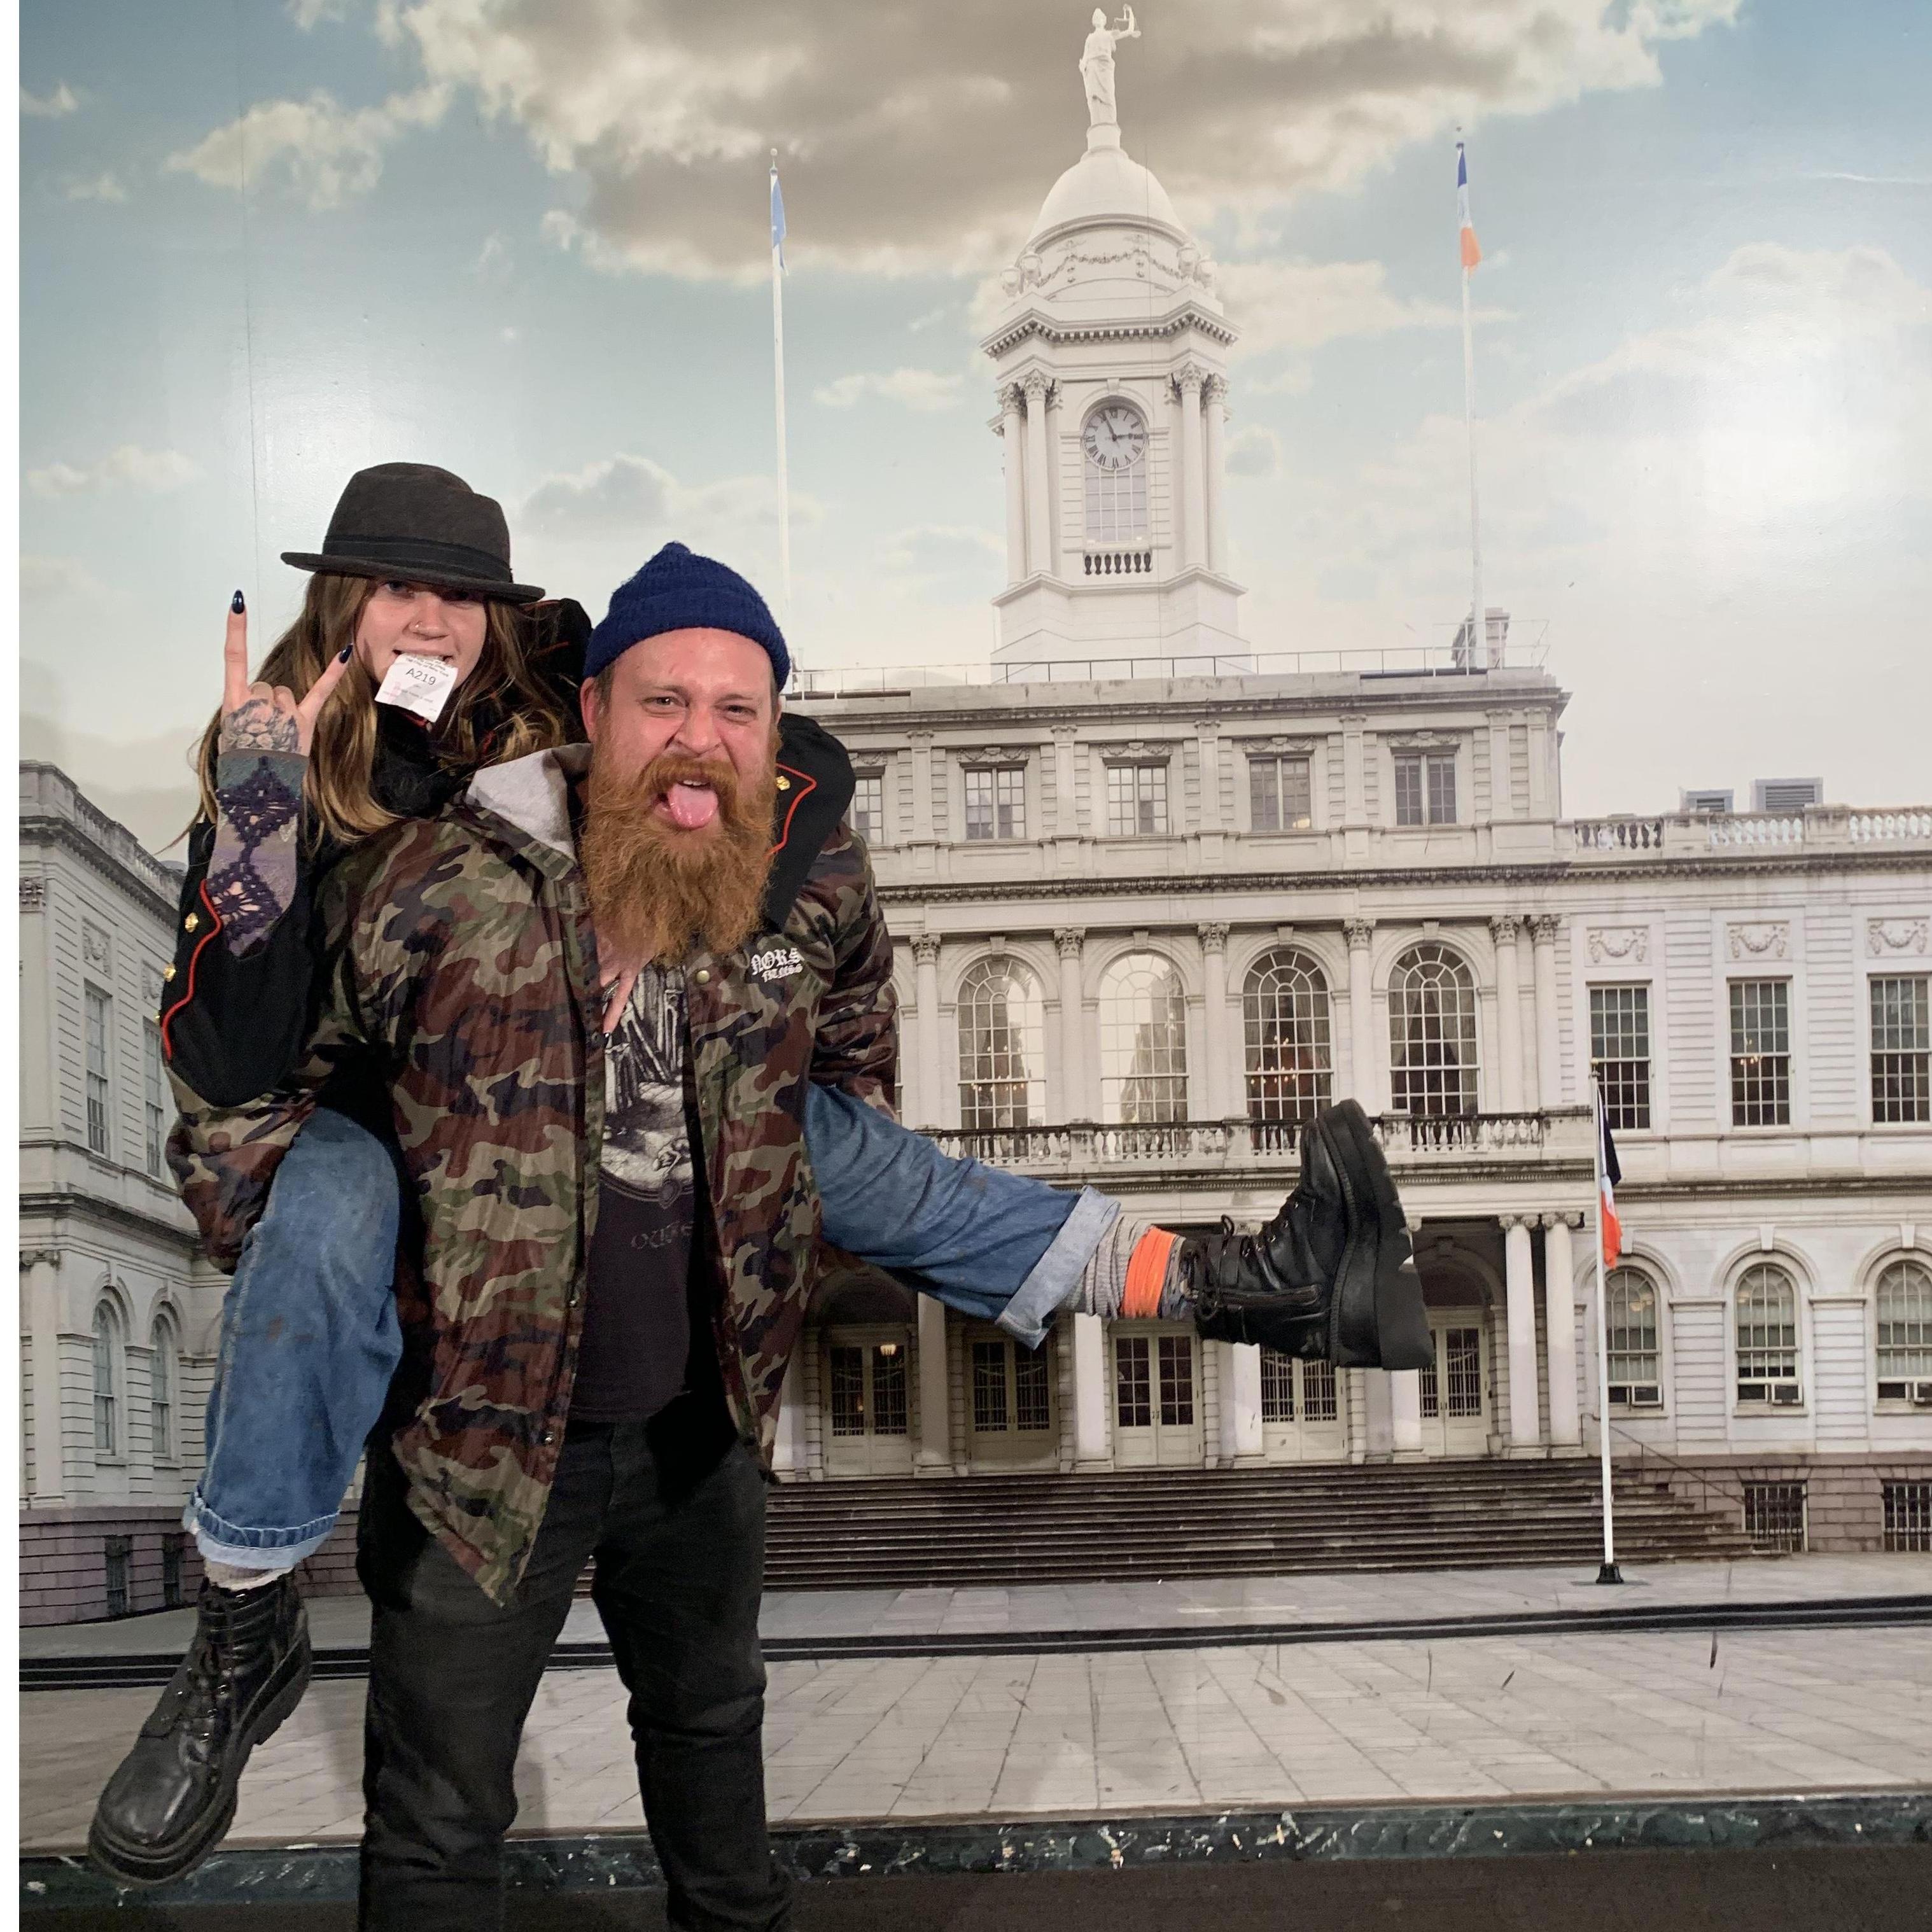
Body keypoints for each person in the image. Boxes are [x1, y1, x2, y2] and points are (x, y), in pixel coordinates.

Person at [149, 544, 1427, 1929]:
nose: (699, 738)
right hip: (479, 1446)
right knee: (437, 1819)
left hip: (699, 1430)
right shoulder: (431, 878)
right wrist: (343, 1247)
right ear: (593, 713)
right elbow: (271, 1086)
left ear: (772, 733)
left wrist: (793, 1207)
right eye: (663, 703)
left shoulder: (804, 878)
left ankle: (1248, 1284)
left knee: (715, 1765)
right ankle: (244, 1625)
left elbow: (859, 1047)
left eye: (737, 710)